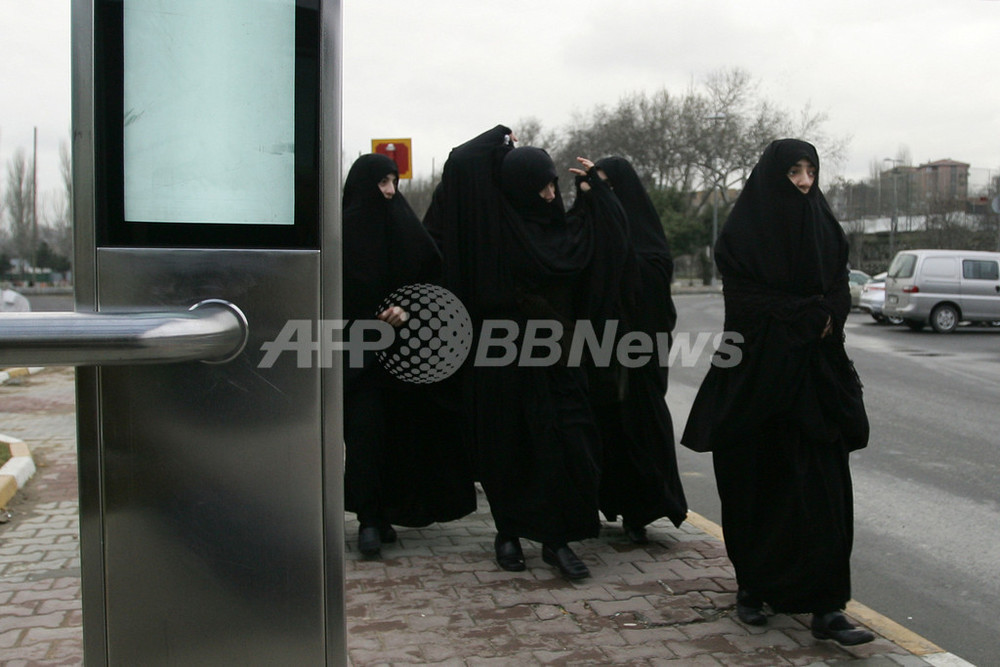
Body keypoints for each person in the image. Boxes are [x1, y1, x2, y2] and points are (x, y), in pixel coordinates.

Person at [681, 139, 875, 646]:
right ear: (774, 177)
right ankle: (754, 588)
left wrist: (827, 314)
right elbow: (747, 305)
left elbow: (838, 288)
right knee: (758, 489)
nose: (806, 181)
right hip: (757, 384)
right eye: (794, 171)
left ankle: (827, 607)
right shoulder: (742, 236)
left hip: (817, 386)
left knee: (826, 493)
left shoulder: (827, 229)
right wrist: (810, 317)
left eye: (811, 170)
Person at [424, 125, 629, 580]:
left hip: (558, 359)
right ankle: (510, 533)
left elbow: (611, 241)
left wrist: (597, 190)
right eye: (541, 184)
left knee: (571, 442)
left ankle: (557, 538)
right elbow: (461, 163)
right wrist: (499, 138)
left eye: (554, 183)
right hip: (499, 361)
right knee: (506, 449)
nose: (550, 193)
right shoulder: (492, 235)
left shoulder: (564, 233)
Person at [342, 153, 476, 559]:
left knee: (399, 435)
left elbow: (432, 277)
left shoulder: (405, 227)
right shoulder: (339, 234)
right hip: (358, 357)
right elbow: (327, 292)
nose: (389, 190)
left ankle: (385, 512)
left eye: (393, 181)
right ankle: (367, 516)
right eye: (381, 182)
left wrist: (407, 308)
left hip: (404, 360)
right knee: (365, 435)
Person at [576, 157, 688, 543]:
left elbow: (649, 289)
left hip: (638, 361)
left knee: (639, 429)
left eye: (607, 187)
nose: (599, 196)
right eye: (594, 187)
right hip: (595, 356)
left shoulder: (647, 245)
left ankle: (641, 510)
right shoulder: (588, 233)